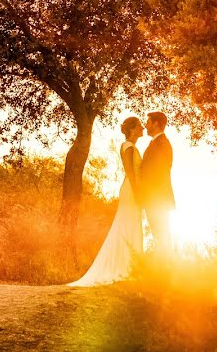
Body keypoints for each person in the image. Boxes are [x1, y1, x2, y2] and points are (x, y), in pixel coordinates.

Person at [69, 116, 144, 286]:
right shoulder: (129, 147)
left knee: (131, 225)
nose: (143, 129)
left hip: (133, 189)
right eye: (140, 126)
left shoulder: (131, 147)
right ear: (132, 129)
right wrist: (137, 192)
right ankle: (126, 269)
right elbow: (130, 172)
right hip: (131, 189)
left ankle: (130, 268)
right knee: (127, 225)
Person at [139, 111, 175, 252]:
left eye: (148, 123)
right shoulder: (155, 142)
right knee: (159, 236)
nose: (145, 126)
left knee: (162, 236)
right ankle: (163, 268)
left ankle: (166, 269)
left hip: (157, 199)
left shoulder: (162, 144)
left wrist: (147, 194)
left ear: (156, 123)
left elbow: (158, 173)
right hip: (153, 198)